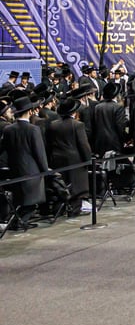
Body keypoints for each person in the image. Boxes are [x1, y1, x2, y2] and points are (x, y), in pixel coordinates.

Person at [2, 95, 50, 229]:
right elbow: (39, 153)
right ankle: (19, 222)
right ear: (30, 111)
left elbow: (3, 148)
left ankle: (18, 221)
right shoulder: (33, 130)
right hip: (32, 172)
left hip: (15, 170)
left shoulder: (8, 129)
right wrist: (45, 170)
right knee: (31, 201)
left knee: (21, 200)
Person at [44, 98, 93, 217]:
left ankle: (59, 211)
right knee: (77, 189)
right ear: (74, 112)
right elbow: (83, 145)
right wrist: (88, 160)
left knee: (60, 186)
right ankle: (74, 211)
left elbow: (48, 143)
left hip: (57, 160)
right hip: (75, 161)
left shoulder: (52, 125)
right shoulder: (78, 125)